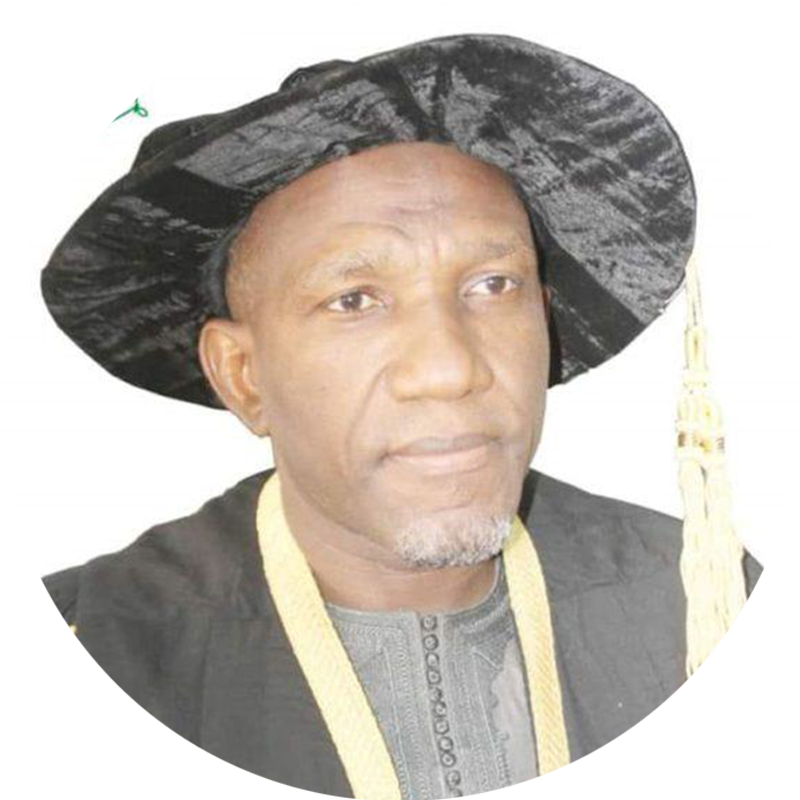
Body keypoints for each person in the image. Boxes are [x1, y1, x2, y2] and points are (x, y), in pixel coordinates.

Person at [37, 32, 758, 799]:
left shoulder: (698, 604)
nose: (450, 369)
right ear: (243, 376)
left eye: (493, 285)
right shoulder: (76, 669)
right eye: (355, 300)